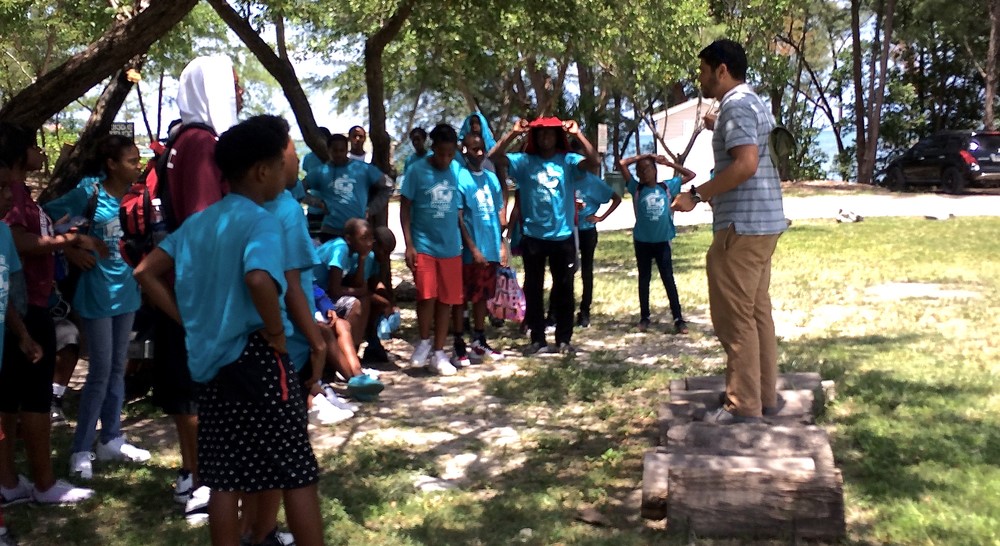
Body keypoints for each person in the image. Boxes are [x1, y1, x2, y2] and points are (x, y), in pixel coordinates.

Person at [134, 115, 324, 546]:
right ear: (262, 171)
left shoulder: (199, 222)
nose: (285, 173)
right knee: (296, 470)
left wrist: (188, 318)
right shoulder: (261, 222)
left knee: (224, 477)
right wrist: (276, 332)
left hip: (209, 362)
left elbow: (145, 272)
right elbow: (259, 279)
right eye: (281, 163)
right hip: (257, 357)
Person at [671, 39, 786, 424]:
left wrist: (696, 195)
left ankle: (742, 406)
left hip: (739, 227)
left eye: (703, 70)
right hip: (765, 224)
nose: (700, 78)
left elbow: (745, 164)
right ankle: (763, 396)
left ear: (722, 70)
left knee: (735, 319)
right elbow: (752, 146)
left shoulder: (735, 105)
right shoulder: (752, 102)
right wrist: (716, 124)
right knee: (756, 315)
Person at [150, 55, 242, 514]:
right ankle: (204, 478)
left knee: (186, 385)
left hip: (176, 280)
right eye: (233, 84)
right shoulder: (204, 144)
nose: (239, 93)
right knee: (197, 388)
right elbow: (208, 223)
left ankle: (191, 474)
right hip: (198, 288)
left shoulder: (178, 141)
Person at [0, 123, 102, 505]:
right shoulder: (8, 192)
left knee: (12, 398)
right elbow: (16, 239)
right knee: (32, 398)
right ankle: (44, 484)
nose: (41, 152)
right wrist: (65, 240)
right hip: (26, 306)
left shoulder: (20, 192)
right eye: (34, 145)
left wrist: (57, 236)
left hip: (29, 303)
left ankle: (9, 480)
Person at [43, 135, 151, 480]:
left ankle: (111, 438)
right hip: (97, 294)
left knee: (117, 368)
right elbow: (44, 218)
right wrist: (70, 247)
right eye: (132, 160)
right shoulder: (89, 194)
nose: (138, 166)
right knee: (100, 372)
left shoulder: (138, 196)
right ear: (112, 164)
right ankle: (80, 448)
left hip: (128, 293)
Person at [490, 117, 600, 356]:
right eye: (540, 134)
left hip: (563, 237)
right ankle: (537, 339)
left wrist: (578, 134)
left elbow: (594, 161)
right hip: (533, 237)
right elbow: (494, 158)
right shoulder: (524, 162)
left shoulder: (568, 161)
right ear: (535, 138)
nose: (545, 138)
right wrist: (512, 133)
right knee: (533, 289)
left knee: (564, 289)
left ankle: (564, 340)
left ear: (557, 137)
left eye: (550, 134)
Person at [0, 159, 44, 542]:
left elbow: (8, 295)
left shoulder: (1, 234)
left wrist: (23, 334)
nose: (5, 198)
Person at [400, 124, 463, 376]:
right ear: (432, 148)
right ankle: (424, 340)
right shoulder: (416, 171)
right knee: (427, 296)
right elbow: (405, 208)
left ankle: (439, 352)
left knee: (446, 299)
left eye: (450, 153)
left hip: (450, 246)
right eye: (441, 153)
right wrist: (409, 244)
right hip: (424, 243)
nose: (445, 159)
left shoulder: (456, 170)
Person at [620, 153, 694, 334]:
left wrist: (669, 163)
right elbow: (622, 164)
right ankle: (644, 317)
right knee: (644, 279)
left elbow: (691, 175)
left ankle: (678, 318)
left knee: (668, 278)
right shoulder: (636, 188)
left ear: (655, 170)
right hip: (642, 242)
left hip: (662, 241)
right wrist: (645, 156)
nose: (643, 173)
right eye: (639, 170)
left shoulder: (667, 186)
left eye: (646, 168)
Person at [456, 133, 506, 362]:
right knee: (462, 297)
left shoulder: (492, 179)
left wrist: (501, 246)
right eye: (473, 149)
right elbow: (459, 217)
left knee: (482, 296)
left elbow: (496, 214)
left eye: (481, 149)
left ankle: (478, 339)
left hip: (491, 247)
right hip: (469, 252)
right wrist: (473, 248)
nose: (478, 153)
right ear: (464, 150)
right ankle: (458, 342)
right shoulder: (459, 177)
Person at [304, 134, 386, 242]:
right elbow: (297, 189)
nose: (338, 154)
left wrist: (371, 209)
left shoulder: (363, 169)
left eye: (342, 150)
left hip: (358, 230)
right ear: (328, 150)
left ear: (347, 150)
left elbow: (387, 187)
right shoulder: (321, 172)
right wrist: (318, 203)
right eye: (335, 150)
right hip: (331, 230)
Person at [572, 163, 621, 328]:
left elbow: (616, 198)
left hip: (587, 231)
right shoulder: (565, 178)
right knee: (564, 271)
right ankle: (557, 311)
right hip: (567, 231)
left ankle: (584, 311)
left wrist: (600, 217)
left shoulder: (593, 181)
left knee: (586, 271)